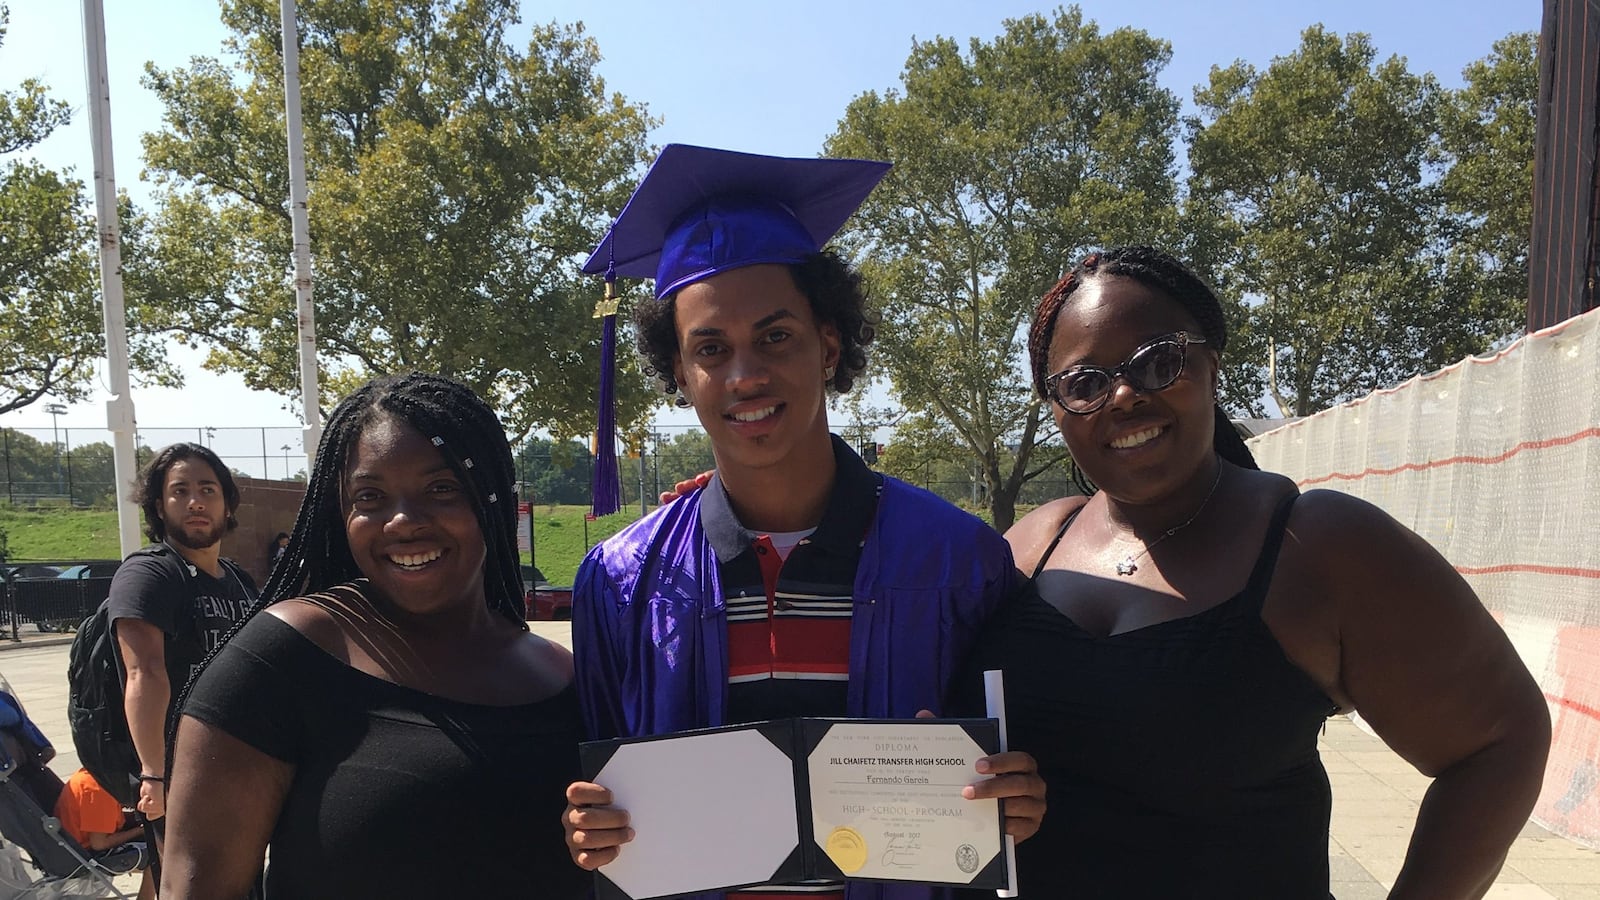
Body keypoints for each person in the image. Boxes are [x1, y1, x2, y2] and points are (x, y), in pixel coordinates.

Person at [952, 245, 1552, 898]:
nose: (1122, 395)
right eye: (1084, 383)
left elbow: (1500, 742)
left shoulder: (1316, 544)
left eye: (1157, 361)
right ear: (1057, 408)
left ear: (1210, 365)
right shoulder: (1033, 543)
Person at [561, 144, 1044, 900]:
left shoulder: (957, 561)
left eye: (775, 336)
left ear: (827, 345)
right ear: (680, 376)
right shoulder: (624, 581)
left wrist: (1014, 796)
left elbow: (1010, 781)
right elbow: (597, 789)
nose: (745, 374)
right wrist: (591, 829)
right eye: (710, 349)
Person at [159, 373, 589, 900]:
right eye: (370, 496)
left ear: (493, 498)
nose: (403, 521)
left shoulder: (561, 675)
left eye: (441, 489)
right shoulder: (281, 660)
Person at [108, 443, 258, 839]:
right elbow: (144, 673)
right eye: (180, 491)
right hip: (180, 772)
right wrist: (154, 775)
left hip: (236, 761)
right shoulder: (149, 575)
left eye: (208, 490)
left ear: (227, 504)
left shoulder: (239, 580)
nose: (195, 502)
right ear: (159, 506)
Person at [55, 767, 154, 900]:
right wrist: (141, 830)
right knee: (158, 851)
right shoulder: (99, 790)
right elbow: (99, 844)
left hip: (76, 844)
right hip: (87, 854)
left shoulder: (90, 775)